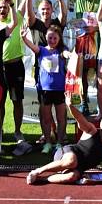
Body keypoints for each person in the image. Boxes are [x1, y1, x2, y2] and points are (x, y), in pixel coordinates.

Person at [26, 96, 102, 185]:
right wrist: (70, 106)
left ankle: (41, 179)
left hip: (79, 167)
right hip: (66, 154)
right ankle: (37, 171)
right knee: (72, 161)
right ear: (100, 124)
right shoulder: (92, 130)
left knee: (72, 177)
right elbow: (80, 118)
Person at [51, 0, 102, 113]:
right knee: (83, 72)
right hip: (81, 41)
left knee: (101, 74)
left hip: (98, 40)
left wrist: (97, 28)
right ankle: (83, 101)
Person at [20, 23, 73, 154]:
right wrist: (24, 38)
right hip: (45, 89)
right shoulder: (42, 50)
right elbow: (32, 47)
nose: (52, 40)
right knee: (46, 118)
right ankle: (48, 143)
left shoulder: (61, 50)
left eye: (55, 38)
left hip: (60, 89)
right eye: (50, 38)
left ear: (59, 39)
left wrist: (70, 55)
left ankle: (60, 143)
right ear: (46, 38)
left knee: (61, 118)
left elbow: (66, 54)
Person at [0, 0, 26, 144]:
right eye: (0, 7)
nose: (2, 10)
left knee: (16, 100)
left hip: (16, 65)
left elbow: (24, 1)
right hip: (0, 67)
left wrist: (12, 5)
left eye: (5, 7)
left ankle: (18, 131)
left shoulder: (15, 20)